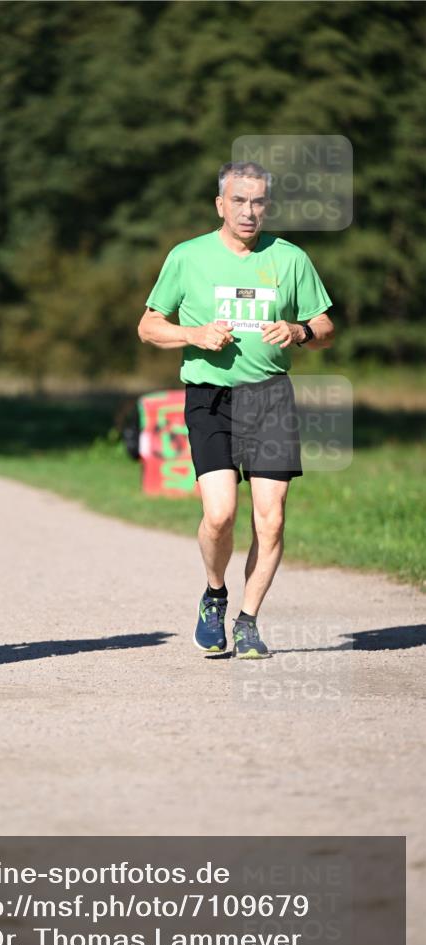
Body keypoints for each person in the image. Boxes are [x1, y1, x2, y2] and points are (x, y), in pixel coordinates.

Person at [138, 161, 334, 659]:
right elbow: (148, 326)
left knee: (271, 520)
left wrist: (299, 332)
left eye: (259, 202)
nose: (250, 211)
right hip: (211, 396)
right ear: (221, 205)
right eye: (240, 201)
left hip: (270, 394)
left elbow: (325, 326)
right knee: (220, 515)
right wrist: (193, 335)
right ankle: (214, 593)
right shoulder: (188, 257)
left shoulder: (290, 259)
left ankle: (247, 620)